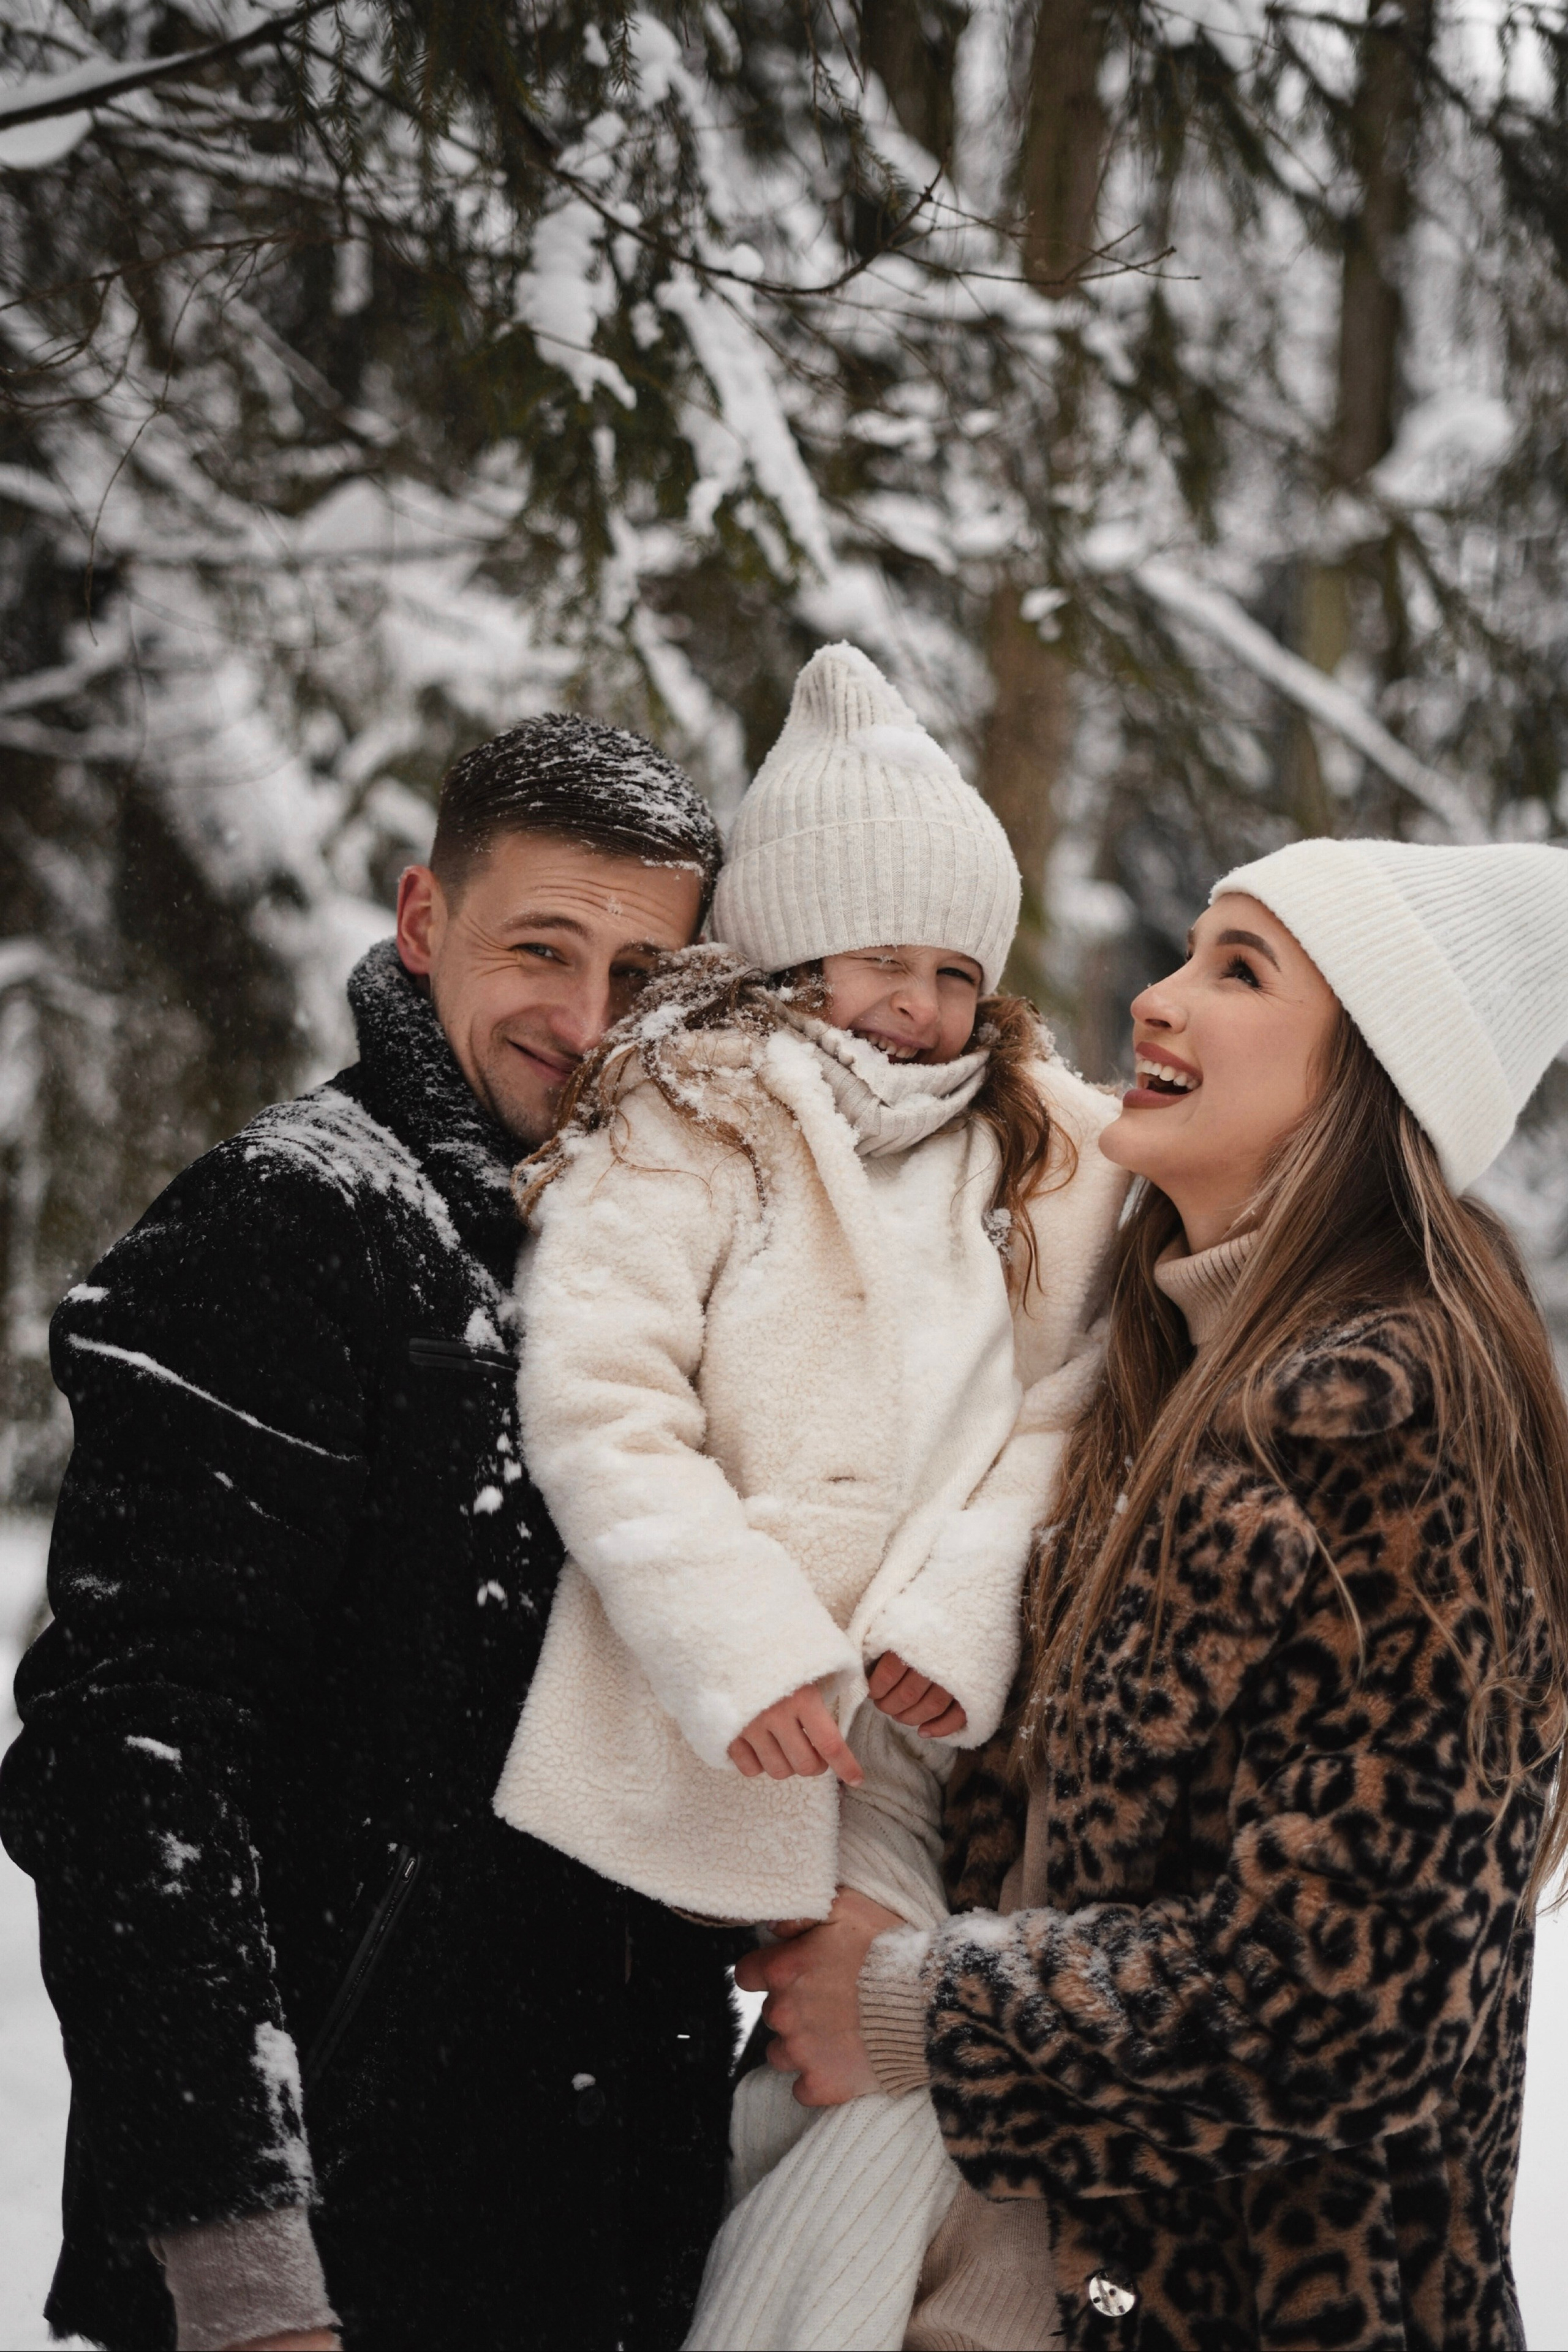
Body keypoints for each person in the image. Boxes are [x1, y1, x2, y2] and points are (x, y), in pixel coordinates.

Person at [742, 835, 1568, 2352]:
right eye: (1185, 951)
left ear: (1367, 1081)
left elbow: (1350, 1997)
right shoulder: (1146, 1370)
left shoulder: (1395, 1410)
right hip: (1006, 2289)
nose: (1159, 1001)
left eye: (1237, 971)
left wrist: (917, 2007)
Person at [0, 716, 740, 2352]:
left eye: (642, 971)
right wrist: (242, 2265)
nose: (585, 1017)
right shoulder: (293, 1222)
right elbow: (133, 1765)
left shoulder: (667, 1268)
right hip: (332, 2259)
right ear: (424, 923)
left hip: (595, 2243)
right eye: (540, 948)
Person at [489, 643, 1128, 2349]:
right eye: (877, 959)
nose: (915, 1008)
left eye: (950, 969)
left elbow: (1079, 1407)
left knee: (876, 2065)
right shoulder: (687, 1119)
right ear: (782, 951)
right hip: (745, 1713)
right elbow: (602, 1406)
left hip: (936, 1719)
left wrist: (961, 1602)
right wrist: (741, 1640)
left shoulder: (1048, 1147)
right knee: (845, 2054)